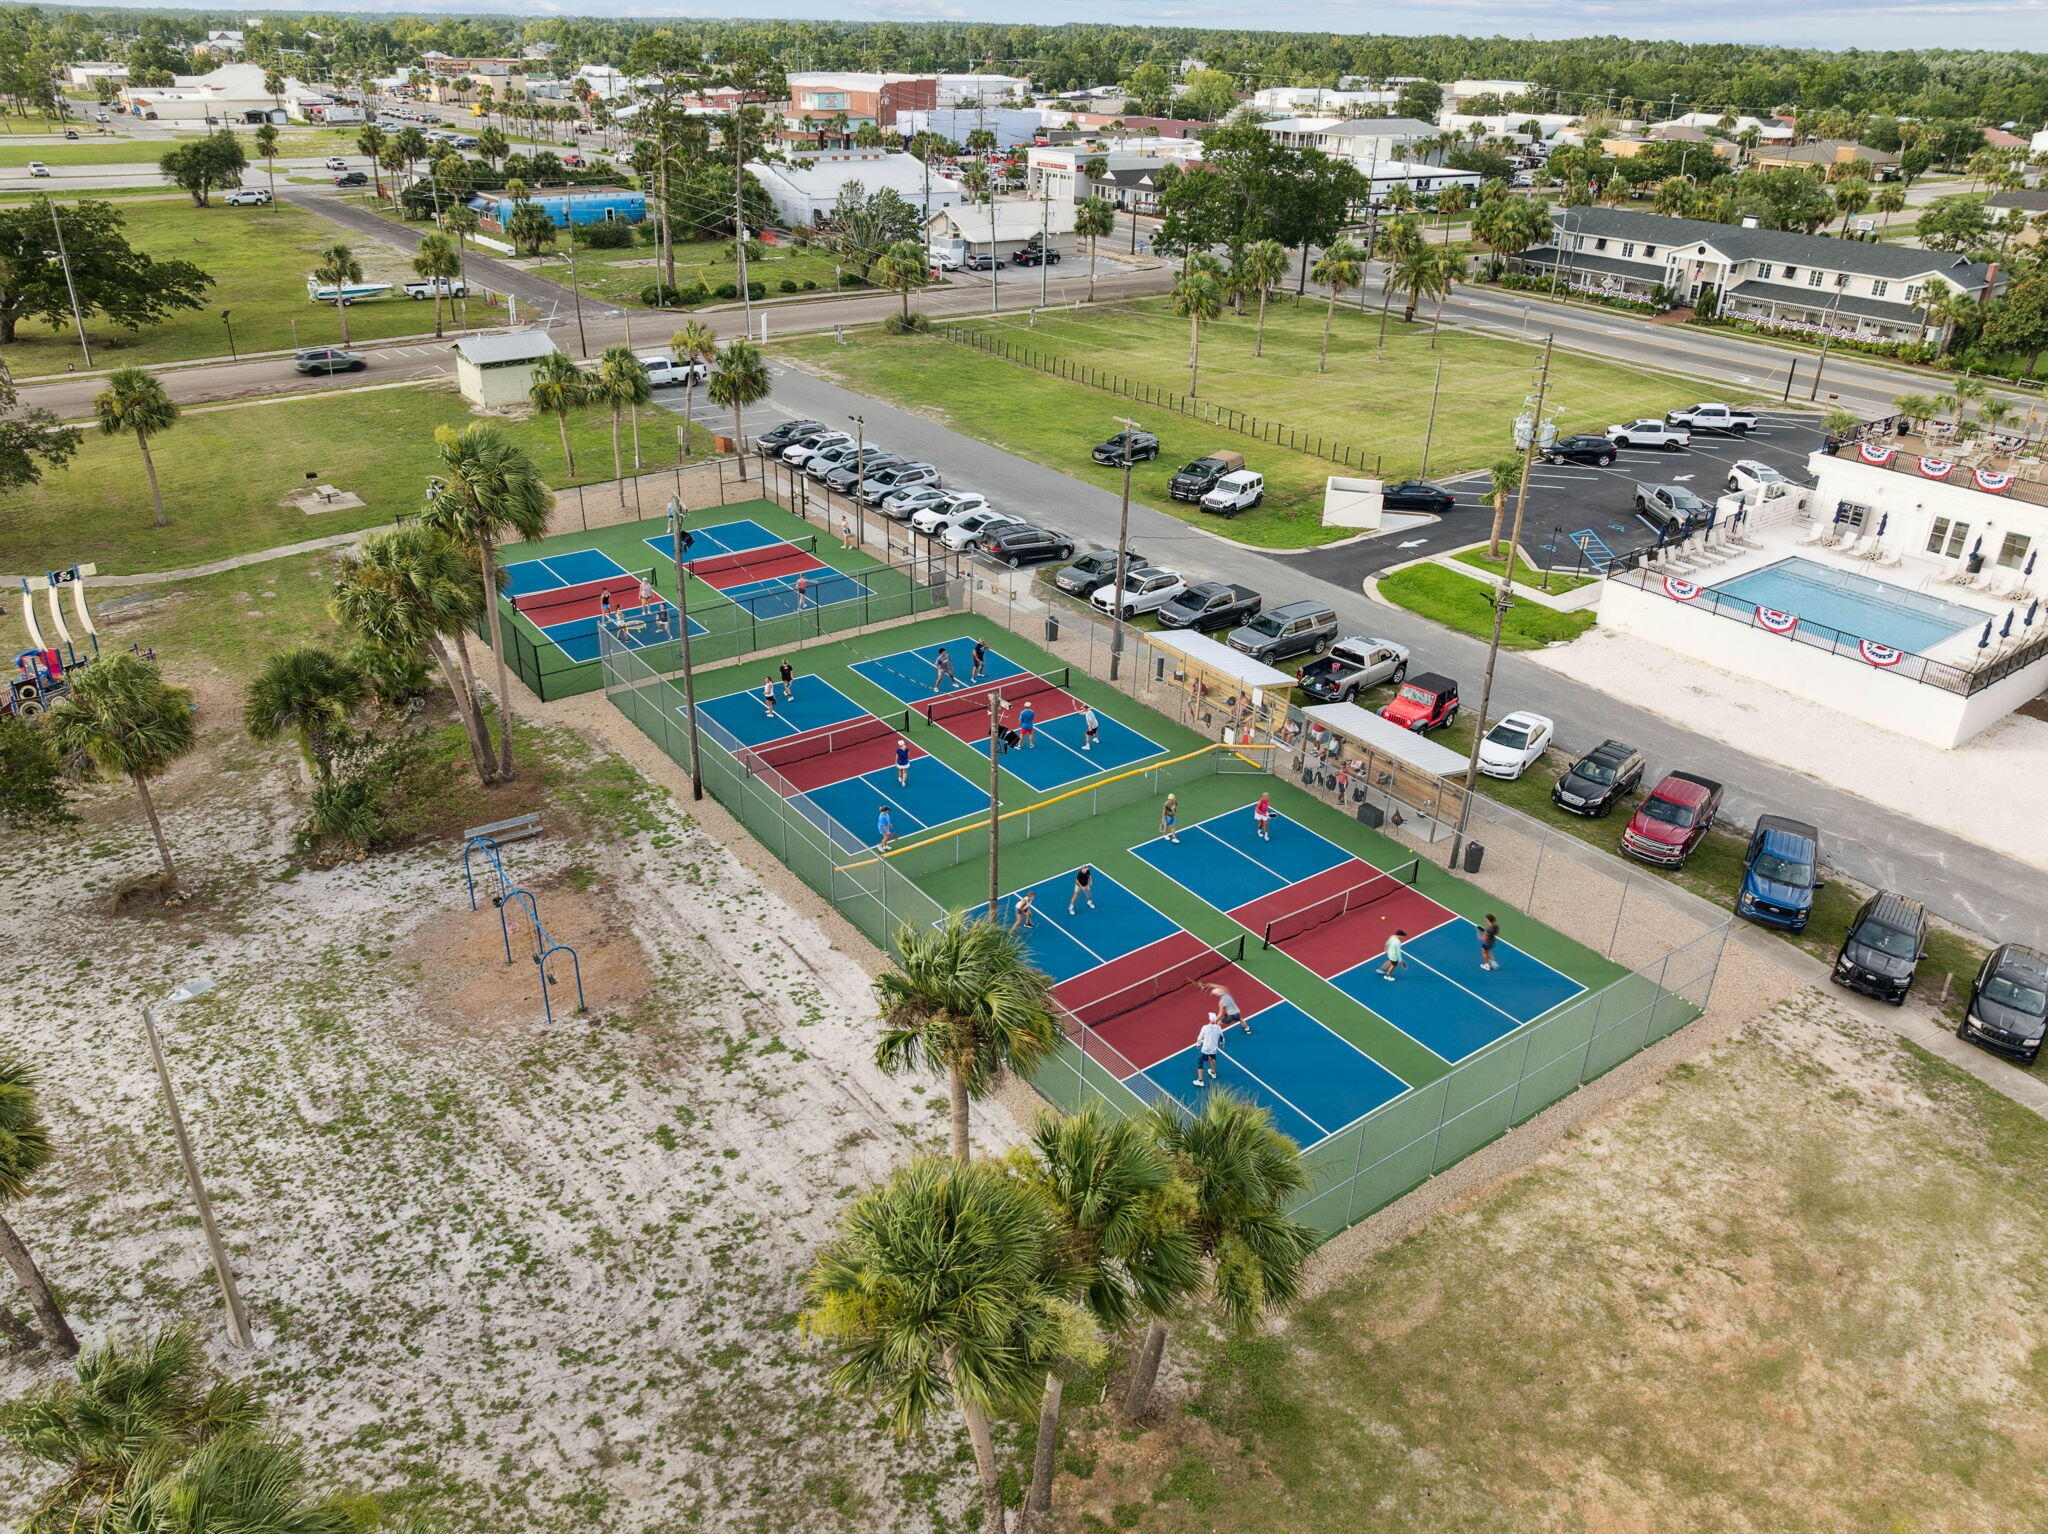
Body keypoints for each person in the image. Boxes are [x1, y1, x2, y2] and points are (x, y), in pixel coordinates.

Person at [1194, 1014, 1224, 1087]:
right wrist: (1222, 1044)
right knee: (1212, 1058)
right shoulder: (1218, 1028)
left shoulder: (1205, 1027)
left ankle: (1200, 1081)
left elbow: (1200, 1037)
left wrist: (1198, 1044)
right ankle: (1213, 1072)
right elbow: (1222, 1038)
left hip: (1206, 1049)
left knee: (1200, 1062)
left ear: (1210, 1020)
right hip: (1214, 1049)